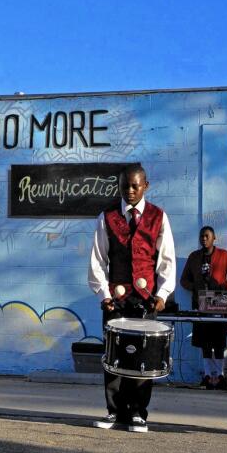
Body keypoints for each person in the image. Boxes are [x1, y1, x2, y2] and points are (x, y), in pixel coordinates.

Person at [88, 165, 176, 433]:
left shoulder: (158, 217)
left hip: (146, 299)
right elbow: (98, 260)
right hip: (117, 300)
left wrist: (161, 295)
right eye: (125, 185)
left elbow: (167, 261)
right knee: (114, 356)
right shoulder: (108, 216)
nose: (130, 190)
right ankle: (114, 411)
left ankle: (138, 413)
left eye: (135, 186)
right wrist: (104, 295)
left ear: (145, 186)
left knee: (144, 357)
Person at [178, 225, 227, 389]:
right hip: (200, 302)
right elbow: (183, 280)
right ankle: (208, 375)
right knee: (204, 341)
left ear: (214, 238)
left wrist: (225, 288)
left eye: (207, 236)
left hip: (219, 302)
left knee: (219, 341)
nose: (204, 239)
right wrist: (195, 287)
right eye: (201, 236)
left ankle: (219, 376)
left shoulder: (224, 256)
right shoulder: (194, 257)